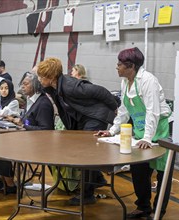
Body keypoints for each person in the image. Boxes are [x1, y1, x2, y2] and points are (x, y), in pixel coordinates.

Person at [96, 47, 173, 219]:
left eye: (120, 64)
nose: (117, 67)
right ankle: (143, 207)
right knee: (138, 169)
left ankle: (159, 211)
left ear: (131, 66)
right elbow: (124, 110)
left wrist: (147, 137)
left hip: (160, 128)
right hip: (141, 129)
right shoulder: (126, 82)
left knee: (162, 173)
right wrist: (112, 130)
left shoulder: (148, 81)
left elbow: (153, 112)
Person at [37, 57, 118, 206]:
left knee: (86, 154)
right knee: (85, 152)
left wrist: (115, 107)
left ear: (51, 77)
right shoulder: (54, 87)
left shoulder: (70, 86)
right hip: (84, 118)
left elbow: (99, 91)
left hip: (95, 116)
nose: (39, 79)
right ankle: (97, 179)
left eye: (41, 77)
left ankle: (87, 195)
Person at [0, 71, 55, 194]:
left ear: (35, 84)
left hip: (38, 146)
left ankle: (9, 185)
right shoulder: (31, 100)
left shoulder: (43, 103)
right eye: (22, 84)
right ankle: (3, 180)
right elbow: (29, 121)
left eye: (25, 84)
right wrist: (15, 120)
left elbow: (46, 131)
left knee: (0, 148)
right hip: (27, 139)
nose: (22, 87)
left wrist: (23, 125)